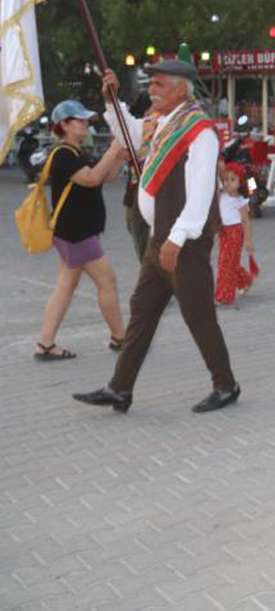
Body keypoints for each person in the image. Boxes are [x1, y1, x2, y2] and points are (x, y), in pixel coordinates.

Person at [73, 61, 239, 414]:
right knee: (142, 311)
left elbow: (199, 194)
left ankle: (226, 385)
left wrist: (177, 239)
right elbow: (130, 135)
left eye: (160, 84)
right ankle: (120, 389)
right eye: (152, 83)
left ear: (181, 90)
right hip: (159, 239)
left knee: (198, 315)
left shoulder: (199, 132)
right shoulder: (165, 122)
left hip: (183, 243)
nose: (152, 89)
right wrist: (111, 101)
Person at [33, 100, 128, 362]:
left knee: (65, 287)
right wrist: (115, 147)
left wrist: (117, 159)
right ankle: (120, 338)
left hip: (73, 233)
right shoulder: (63, 154)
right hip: (78, 234)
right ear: (63, 125)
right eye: (80, 121)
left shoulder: (76, 152)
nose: (86, 125)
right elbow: (91, 178)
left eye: (86, 121)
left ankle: (45, 343)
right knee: (107, 282)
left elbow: (103, 177)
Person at [213, 161, 255, 305]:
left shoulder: (240, 200)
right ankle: (245, 281)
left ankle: (223, 296)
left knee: (224, 263)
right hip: (224, 232)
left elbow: (246, 222)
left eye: (232, 180)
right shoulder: (221, 195)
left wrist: (248, 241)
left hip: (235, 233)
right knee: (229, 263)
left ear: (240, 182)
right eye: (226, 180)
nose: (228, 183)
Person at [122, 93, 155, 262]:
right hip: (137, 197)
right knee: (145, 252)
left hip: (160, 198)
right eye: (152, 111)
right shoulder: (134, 134)